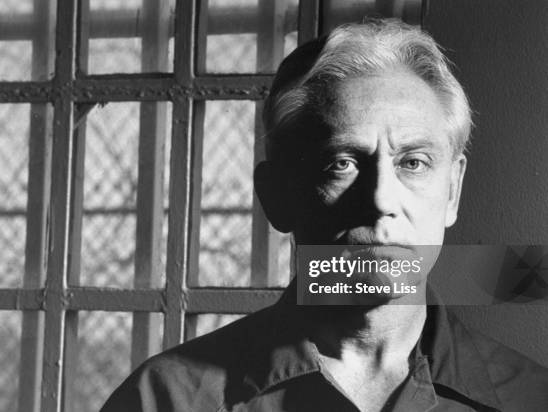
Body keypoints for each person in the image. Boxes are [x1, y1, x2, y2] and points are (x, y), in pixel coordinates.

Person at [101, 19, 548, 411]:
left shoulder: (532, 399)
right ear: (276, 197)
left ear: (452, 192)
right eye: (342, 163)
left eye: (412, 162)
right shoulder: (167, 401)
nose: (380, 200)